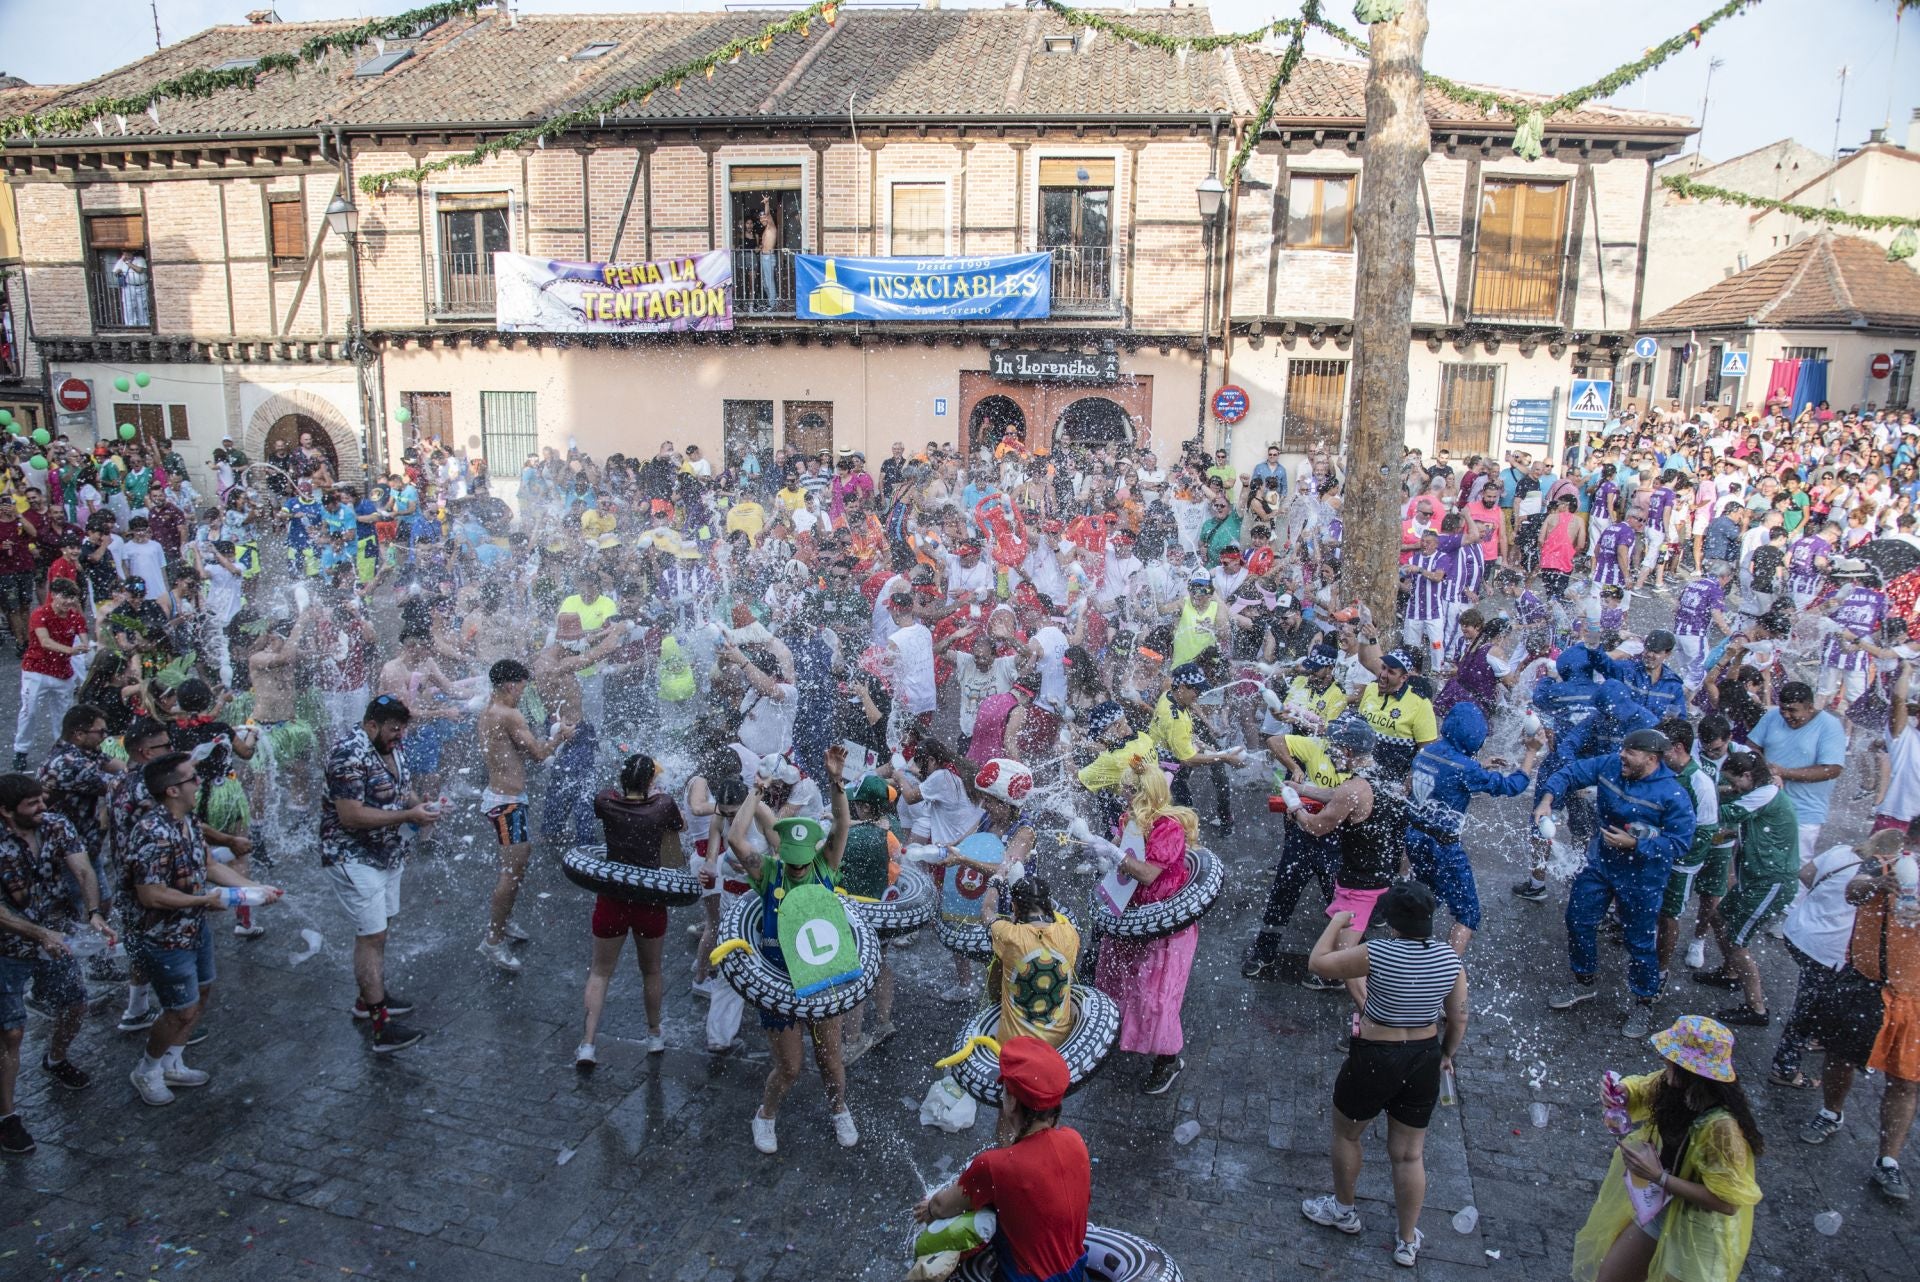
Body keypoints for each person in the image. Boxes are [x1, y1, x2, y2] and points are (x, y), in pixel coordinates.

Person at [1302, 882, 1468, 1269]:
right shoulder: (1449, 960)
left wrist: (1339, 922)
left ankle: (1344, 1211)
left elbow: (1319, 963)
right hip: (1424, 1057)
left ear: (1392, 921)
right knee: (1410, 1156)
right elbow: (1458, 1017)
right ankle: (1407, 1240)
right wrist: (1446, 1054)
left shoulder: (1378, 952)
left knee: (1348, 1133)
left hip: (1375, 1055)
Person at [123, 751, 280, 1105]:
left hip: (194, 928)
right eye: (192, 778)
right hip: (163, 936)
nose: (199, 782)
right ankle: (147, 1070)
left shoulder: (188, 821)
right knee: (180, 1009)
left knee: (202, 993)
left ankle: (172, 1062)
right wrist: (203, 902)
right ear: (172, 791)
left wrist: (252, 889)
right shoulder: (151, 833)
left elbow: (208, 864)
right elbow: (151, 895)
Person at [729, 744, 858, 1155]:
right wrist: (757, 791)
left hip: (821, 980)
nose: (800, 867)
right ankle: (764, 1116)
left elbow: (842, 824)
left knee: (830, 1059)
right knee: (789, 1067)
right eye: (793, 861)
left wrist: (836, 782)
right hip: (778, 982)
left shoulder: (824, 867)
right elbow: (735, 838)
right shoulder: (768, 872)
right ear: (781, 852)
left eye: (805, 860)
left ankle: (839, 1109)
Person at [1569, 1016, 1763, 1282]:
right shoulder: (1673, 1085)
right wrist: (1622, 1092)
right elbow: (1643, 1088)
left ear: (1689, 1070)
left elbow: (1727, 1203)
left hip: (1698, 1232)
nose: (1664, 1060)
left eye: (1670, 1058)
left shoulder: (1723, 1130)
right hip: (1659, 1207)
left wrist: (1659, 1178)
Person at [1535, 727, 1696, 1040]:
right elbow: (1570, 773)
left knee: (1639, 941)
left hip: (1643, 877)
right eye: (1623, 749)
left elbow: (1680, 844)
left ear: (1651, 758)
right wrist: (1547, 799)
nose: (1622, 755)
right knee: (1578, 919)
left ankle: (1644, 1001)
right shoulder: (1611, 765)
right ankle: (1584, 981)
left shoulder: (1673, 794)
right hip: (1601, 864)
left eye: (1630, 752)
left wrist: (1637, 846)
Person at [1797, 823, 1920, 1203]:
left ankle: (1888, 1160)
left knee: (1905, 1080)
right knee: (1840, 1056)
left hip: (1914, 996)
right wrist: (1880, 886)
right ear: (1911, 842)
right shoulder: (1885, 865)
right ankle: (1832, 1113)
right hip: (1868, 984)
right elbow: (1852, 893)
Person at [912, 1037, 1091, 1282]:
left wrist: (930, 1209)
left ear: (1013, 1101)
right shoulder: (1075, 1141)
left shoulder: (994, 1166)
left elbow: (944, 1206)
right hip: (1076, 1272)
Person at [0, 772, 111, 1153]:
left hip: (55, 936)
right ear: (6, 812)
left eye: (41, 801)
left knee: (76, 1004)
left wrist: (94, 911)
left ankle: (56, 1058)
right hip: (6, 950)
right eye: (32, 805)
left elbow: (82, 868)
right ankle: (7, 1117)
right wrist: (40, 934)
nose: (43, 809)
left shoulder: (55, 824)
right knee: (10, 1033)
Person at [321, 695, 437, 1053]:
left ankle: (367, 999)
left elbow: (403, 790)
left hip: (386, 854)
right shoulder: (347, 754)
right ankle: (380, 1028)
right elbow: (351, 815)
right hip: (352, 856)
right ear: (371, 725)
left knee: (380, 929)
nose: (399, 736)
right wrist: (408, 817)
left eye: (402, 729)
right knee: (371, 936)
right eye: (393, 729)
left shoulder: (390, 745)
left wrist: (420, 805)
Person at [1083, 761, 1200, 1095]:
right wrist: (1104, 855)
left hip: (1162, 927)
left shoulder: (1168, 827)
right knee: (1116, 980)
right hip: (1129, 918)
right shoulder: (1129, 820)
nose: (1123, 793)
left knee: (1154, 997)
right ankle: (1128, 1036)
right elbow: (1122, 864)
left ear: (1146, 793)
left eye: (1130, 789)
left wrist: (1114, 853)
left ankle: (1169, 1058)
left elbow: (1147, 873)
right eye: (1124, 788)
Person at [576, 753, 683, 1070]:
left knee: (599, 971)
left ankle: (588, 1044)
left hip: (612, 899)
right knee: (651, 970)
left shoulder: (605, 802)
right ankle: (654, 1035)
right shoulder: (663, 805)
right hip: (649, 900)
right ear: (651, 781)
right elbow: (677, 836)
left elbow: (609, 795)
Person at [1405, 703, 1539, 953]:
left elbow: (1443, 777)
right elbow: (1513, 786)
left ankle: (1407, 953)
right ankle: (1443, 979)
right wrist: (1531, 753)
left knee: (1425, 898)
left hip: (1414, 837)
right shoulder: (1466, 769)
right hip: (1444, 847)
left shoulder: (1426, 752)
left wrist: (1479, 766)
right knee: (1467, 913)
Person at [476, 659, 575, 971]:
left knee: (517, 866)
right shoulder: (509, 714)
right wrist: (561, 735)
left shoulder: (490, 709)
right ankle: (492, 940)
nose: (523, 692)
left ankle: (503, 924)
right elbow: (538, 753)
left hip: (504, 797)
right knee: (511, 871)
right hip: (507, 802)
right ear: (510, 684)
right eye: (521, 686)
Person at [1690, 749, 1798, 1027]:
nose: (1733, 787)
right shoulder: (1760, 791)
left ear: (1748, 775)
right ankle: (1730, 973)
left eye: (1735, 781)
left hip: (1771, 881)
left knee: (1738, 941)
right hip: (1754, 879)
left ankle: (1757, 1009)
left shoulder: (1766, 794)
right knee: (1719, 918)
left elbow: (1720, 813)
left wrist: (1692, 802)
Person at [1748, 681, 1846, 869]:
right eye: (1783, 709)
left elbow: (1833, 769)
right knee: (1757, 864)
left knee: (1794, 869)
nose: (1786, 715)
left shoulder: (1829, 726)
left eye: (1793, 711)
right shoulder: (1772, 716)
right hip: (1765, 806)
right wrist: (1763, 767)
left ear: (1810, 707)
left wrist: (1785, 773)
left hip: (1804, 812)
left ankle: (1793, 900)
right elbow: (1752, 746)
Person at [981, 873, 1079, 1048]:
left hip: (1015, 1045)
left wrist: (994, 883)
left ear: (1013, 906)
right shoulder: (1070, 933)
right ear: (1049, 904)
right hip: (1061, 1044)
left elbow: (987, 912)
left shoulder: (1008, 935)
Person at [14, 578, 90, 769]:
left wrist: (84, 646)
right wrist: (71, 650)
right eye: (65, 597)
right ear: (54, 595)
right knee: (29, 711)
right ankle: (20, 750)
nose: (68, 602)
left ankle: (63, 749)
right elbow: (45, 641)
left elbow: (84, 639)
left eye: (72, 598)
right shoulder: (40, 614)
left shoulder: (75, 617)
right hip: (36, 670)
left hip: (62, 672)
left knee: (63, 714)